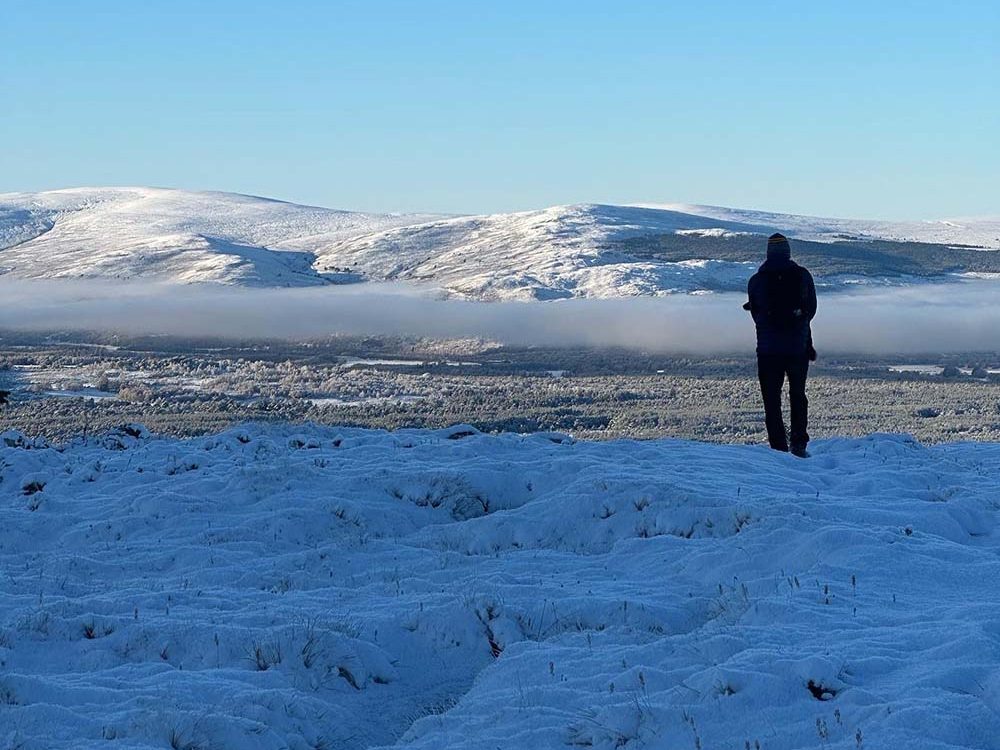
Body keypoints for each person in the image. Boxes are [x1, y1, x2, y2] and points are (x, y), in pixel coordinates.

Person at [743, 233, 817, 457]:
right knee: (797, 394)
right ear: (788, 252)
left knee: (771, 400)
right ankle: (799, 443)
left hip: (767, 350)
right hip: (797, 347)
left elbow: (756, 315)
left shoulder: (756, 281)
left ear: (768, 253)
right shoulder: (803, 276)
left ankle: (778, 447)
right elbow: (811, 310)